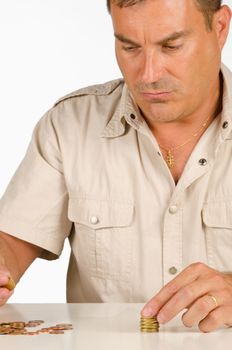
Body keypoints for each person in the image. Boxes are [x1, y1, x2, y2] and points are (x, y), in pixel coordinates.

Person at [0, 0, 232, 333]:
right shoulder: (69, 126)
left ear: (220, 27)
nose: (149, 74)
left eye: (171, 46)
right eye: (129, 46)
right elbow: (12, 241)